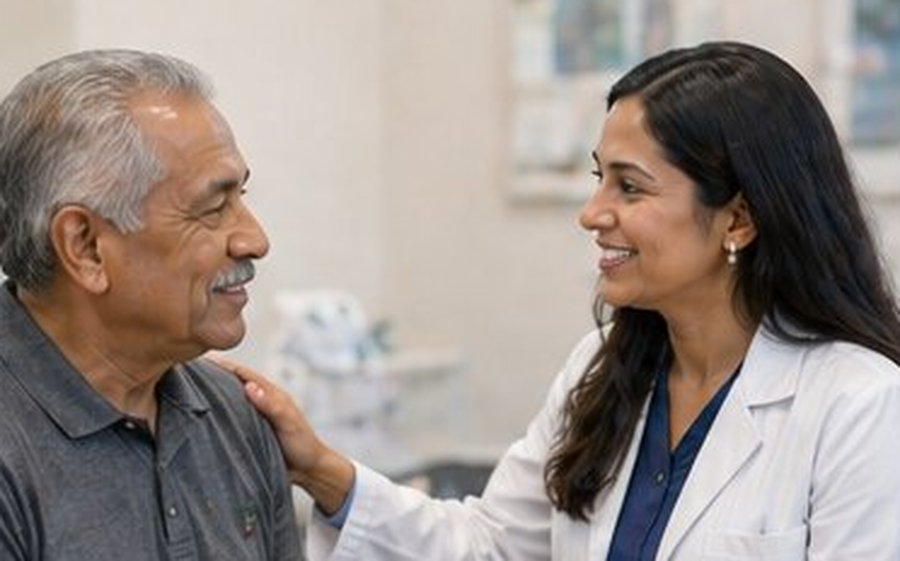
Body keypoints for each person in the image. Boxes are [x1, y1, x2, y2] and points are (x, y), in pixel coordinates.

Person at [220, 41, 900, 560]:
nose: (593, 213)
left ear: (739, 219)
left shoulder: (859, 405)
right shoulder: (605, 369)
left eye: (630, 188)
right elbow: (494, 546)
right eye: (599, 179)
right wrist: (320, 468)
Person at [0, 50, 302, 560]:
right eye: (213, 208)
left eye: (243, 197)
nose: (254, 240)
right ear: (86, 247)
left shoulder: (236, 417)